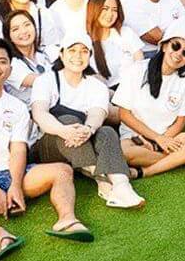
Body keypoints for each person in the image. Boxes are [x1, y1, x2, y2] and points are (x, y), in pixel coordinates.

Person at [0, 39, 88, 261]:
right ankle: (0, 234)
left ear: (10, 69)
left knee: (62, 170)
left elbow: (18, 150)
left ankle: (67, 220)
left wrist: (15, 185)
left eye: (2, 62)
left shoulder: (18, 106)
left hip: (8, 171)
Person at [27, 40, 145, 214]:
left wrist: (88, 129)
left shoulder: (96, 85)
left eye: (83, 51)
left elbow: (98, 113)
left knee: (106, 131)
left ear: (90, 55)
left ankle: (122, 187)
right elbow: (39, 113)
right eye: (72, 50)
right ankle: (102, 178)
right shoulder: (46, 80)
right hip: (48, 146)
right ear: (62, 54)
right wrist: (63, 130)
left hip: (81, 139)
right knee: (67, 119)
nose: (77, 56)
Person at [112, 37, 185, 178]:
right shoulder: (137, 69)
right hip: (134, 138)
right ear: (165, 46)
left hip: (169, 139)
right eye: (176, 46)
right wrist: (156, 138)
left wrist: (161, 142)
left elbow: (180, 121)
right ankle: (184, 158)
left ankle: (145, 171)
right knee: (125, 153)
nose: (179, 53)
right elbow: (124, 114)